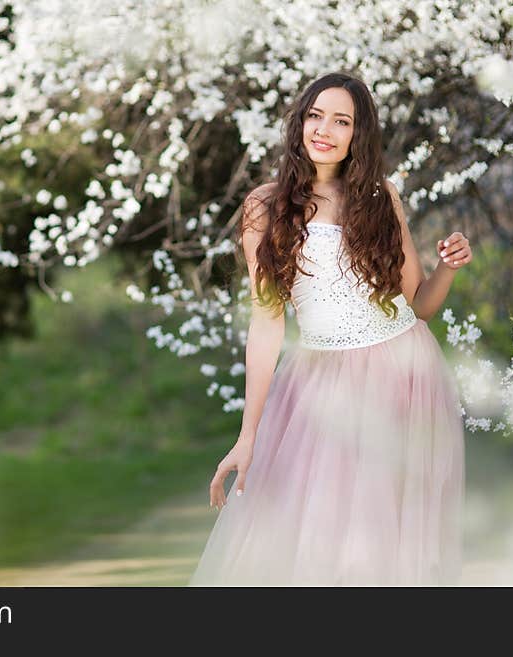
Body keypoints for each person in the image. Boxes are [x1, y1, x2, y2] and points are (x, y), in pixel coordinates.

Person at [188, 71, 470, 586]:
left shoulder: (382, 198)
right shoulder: (265, 206)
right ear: (299, 122)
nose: (324, 129)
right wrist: (248, 435)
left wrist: (448, 267)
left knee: (381, 546)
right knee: (309, 539)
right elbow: (267, 320)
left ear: (357, 136)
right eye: (316, 115)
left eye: (342, 121)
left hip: (402, 375)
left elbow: (420, 306)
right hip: (319, 385)